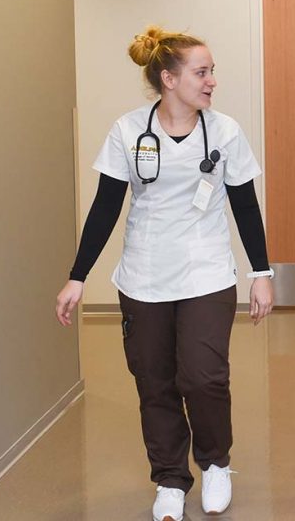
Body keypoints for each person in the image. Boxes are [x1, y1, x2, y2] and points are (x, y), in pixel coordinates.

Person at [55, 26, 274, 521]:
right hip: (145, 275)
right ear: (169, 79)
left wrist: (261, 272)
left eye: (212, 71)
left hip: (206, 272)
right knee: (153, 381)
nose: (212, 80)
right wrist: (78, 275)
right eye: (202, 72)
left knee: (203, 377)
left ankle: (216, 463)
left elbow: (245, 206)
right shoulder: (129, 131)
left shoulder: (224, 132)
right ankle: (171, 480)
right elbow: (106, 207)